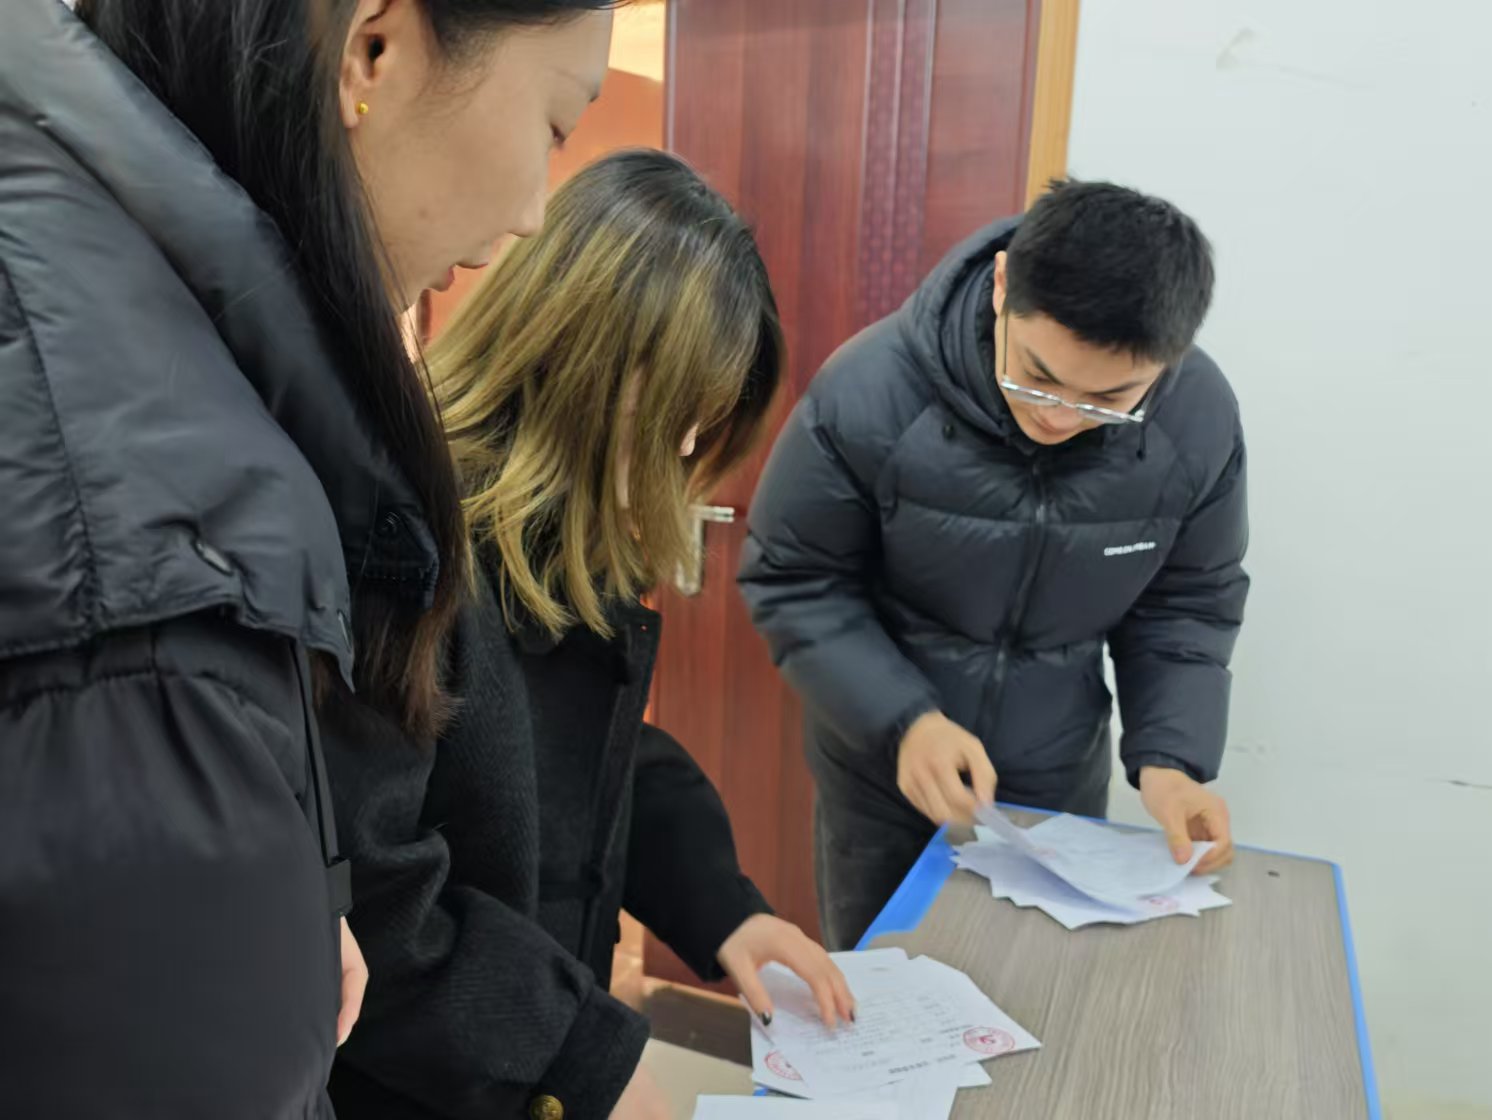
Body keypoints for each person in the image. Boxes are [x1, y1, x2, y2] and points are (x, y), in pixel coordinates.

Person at [0, 0, 612, 1114]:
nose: (531, 213)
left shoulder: (154, 373)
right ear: (374, 48)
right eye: (557, 123)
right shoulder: (142, 563)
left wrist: (280, 895)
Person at [322, 149, 853, 1120]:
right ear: (580, 358)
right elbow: (373, 901)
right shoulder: (404, 550)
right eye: (678, 419)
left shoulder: (565, 534)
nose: (684, 455)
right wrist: (576, 1058)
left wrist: (722, 906)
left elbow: (596, 766)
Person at [739, 180, 1250, 951]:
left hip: (1057, 776)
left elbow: (1187, 603)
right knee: (884, 985)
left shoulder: (1195, 419)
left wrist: (1171, 762)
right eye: (1036, 376)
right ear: (1004, 284)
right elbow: (794, 578)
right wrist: (904, 721)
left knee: (1041, 985)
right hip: (888, 771)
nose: (1058, 416)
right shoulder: (872, 390)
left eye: (1107, 400)